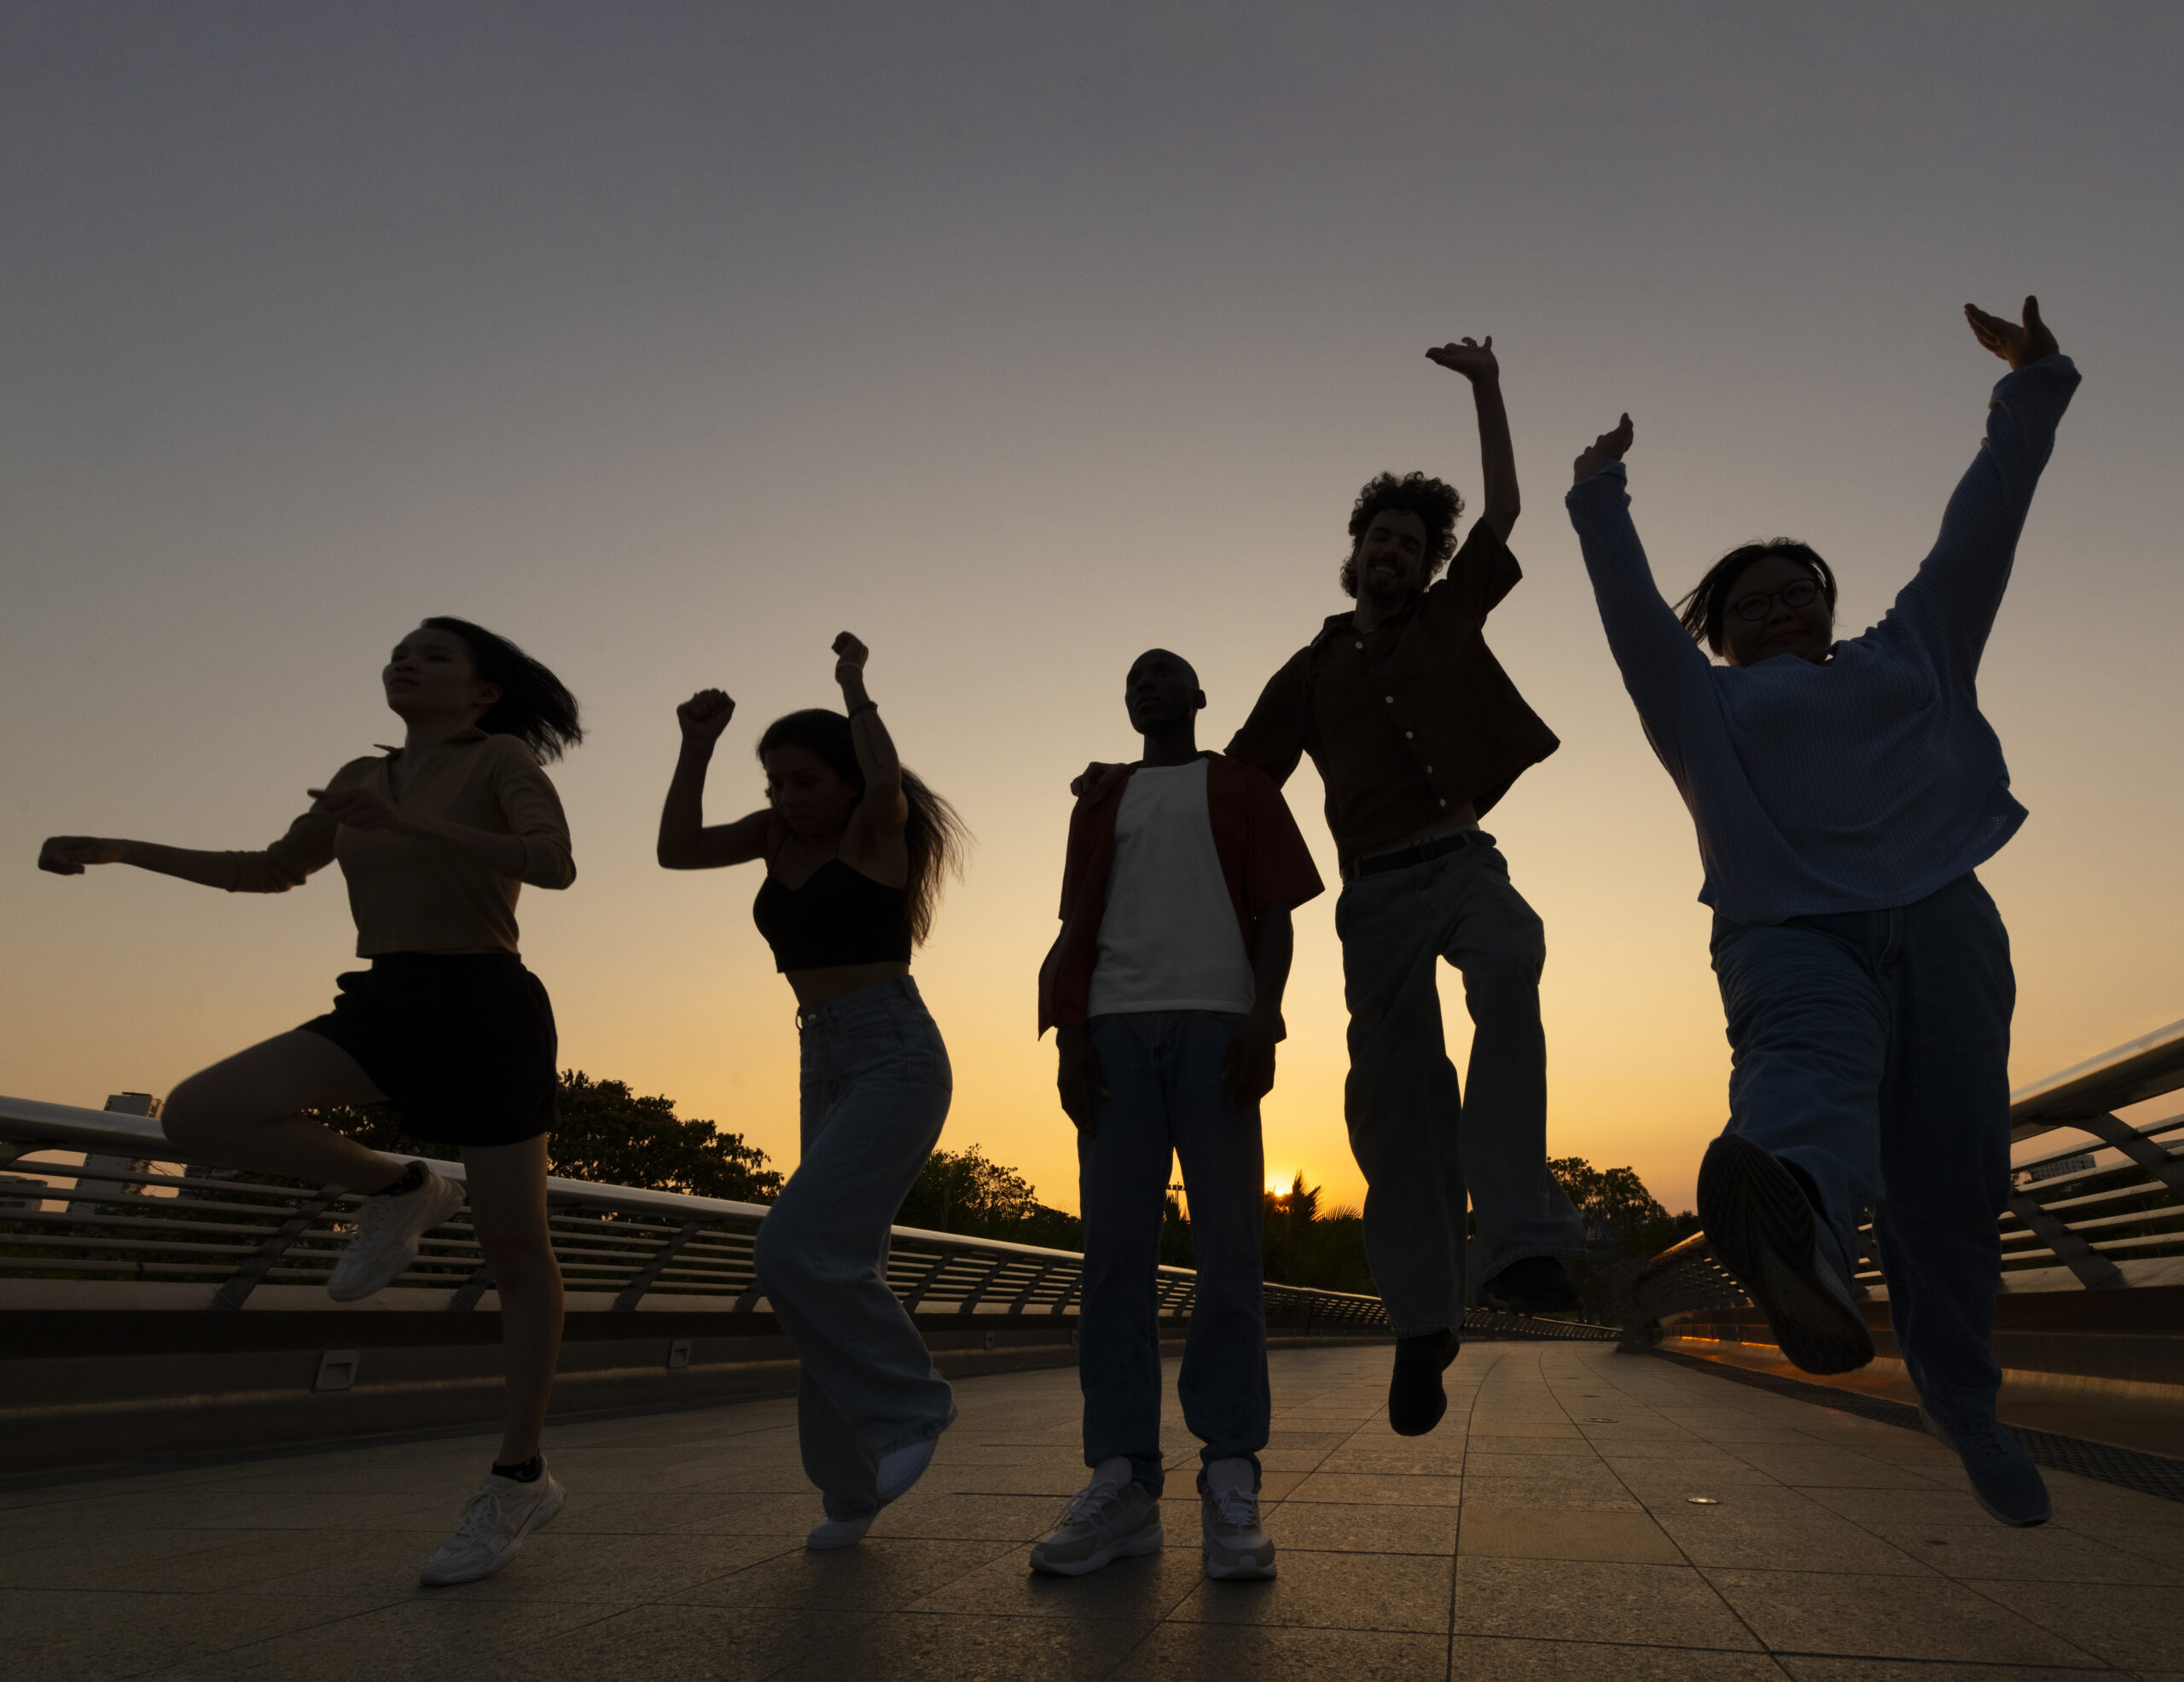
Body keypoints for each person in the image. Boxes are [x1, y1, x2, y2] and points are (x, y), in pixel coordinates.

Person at [1562, 297, 2078, 1528]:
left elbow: (1982, 526)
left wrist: (2034, 383)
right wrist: (1599, 494)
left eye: (1803, 589)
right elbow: (1633, 621)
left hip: (1945, 919)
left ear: (1832, 605)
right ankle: (1799, 1223)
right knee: (1808, 1071)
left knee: (1952, 1188)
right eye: (1756, 598)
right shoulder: (1701, 706)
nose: (1785, 603)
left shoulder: (1916, 649)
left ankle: (1965, 1404)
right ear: (1722, 630)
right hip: (1791, 928)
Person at [38, 618, 583, 1583]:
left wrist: (413, 825)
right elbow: (269, 871)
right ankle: (400, 1187)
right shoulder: (359, 775)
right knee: (198, 1113)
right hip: (388, 999)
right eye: (399, 650)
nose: (405, 661)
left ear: (482, 692)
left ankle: (517, 1477)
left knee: (516, 1253)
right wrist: (122, 847)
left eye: (434, 655)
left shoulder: (498, 759)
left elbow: (551, 863)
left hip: (487, 1008)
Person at [1228, 335, 1587, 1438]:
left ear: (1428, 563)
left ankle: (1519, 1232)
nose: (1394, 551)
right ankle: (1425, 1323)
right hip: (1376, 894)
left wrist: (1488, 388)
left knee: (1514, 958)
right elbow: (1242, 782)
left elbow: (1508, 512)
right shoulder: (1310, 667)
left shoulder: (1446, 616)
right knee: (1398, 1103)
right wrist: (1134, 794)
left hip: (1461, 857)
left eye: (1411, 542)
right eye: (1379, 537)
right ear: (1355, 552)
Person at [658, 631, 969, 1551]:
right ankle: (849, 1490)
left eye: (802, 782)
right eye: (775, 786)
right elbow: (676, 850)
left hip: (894, 1053)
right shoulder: (769, 841)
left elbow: (883, 780)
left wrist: (855, 687)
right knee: (835, 1269)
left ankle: (911, 1407)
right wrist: (697, 747)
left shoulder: (876, 832)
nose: (787, 802)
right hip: (822, 1057)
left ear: (844, 782)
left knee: (793, 1251)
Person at [1031, 649, 1323, 1581]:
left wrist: (1264, 1015)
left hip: (1215, 1024)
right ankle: (1121, 1481)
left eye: (1164, 674)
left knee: (1228, 1249)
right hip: (1113, 1029)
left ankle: (1231, 1472)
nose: (1145, 685)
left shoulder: (1239, 784)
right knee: (1113, 1253)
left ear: (1200, 697)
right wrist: (1070, 1036)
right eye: (1132, 678)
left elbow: (1277, 911)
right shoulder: (1100, 798)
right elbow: (1077, 921)